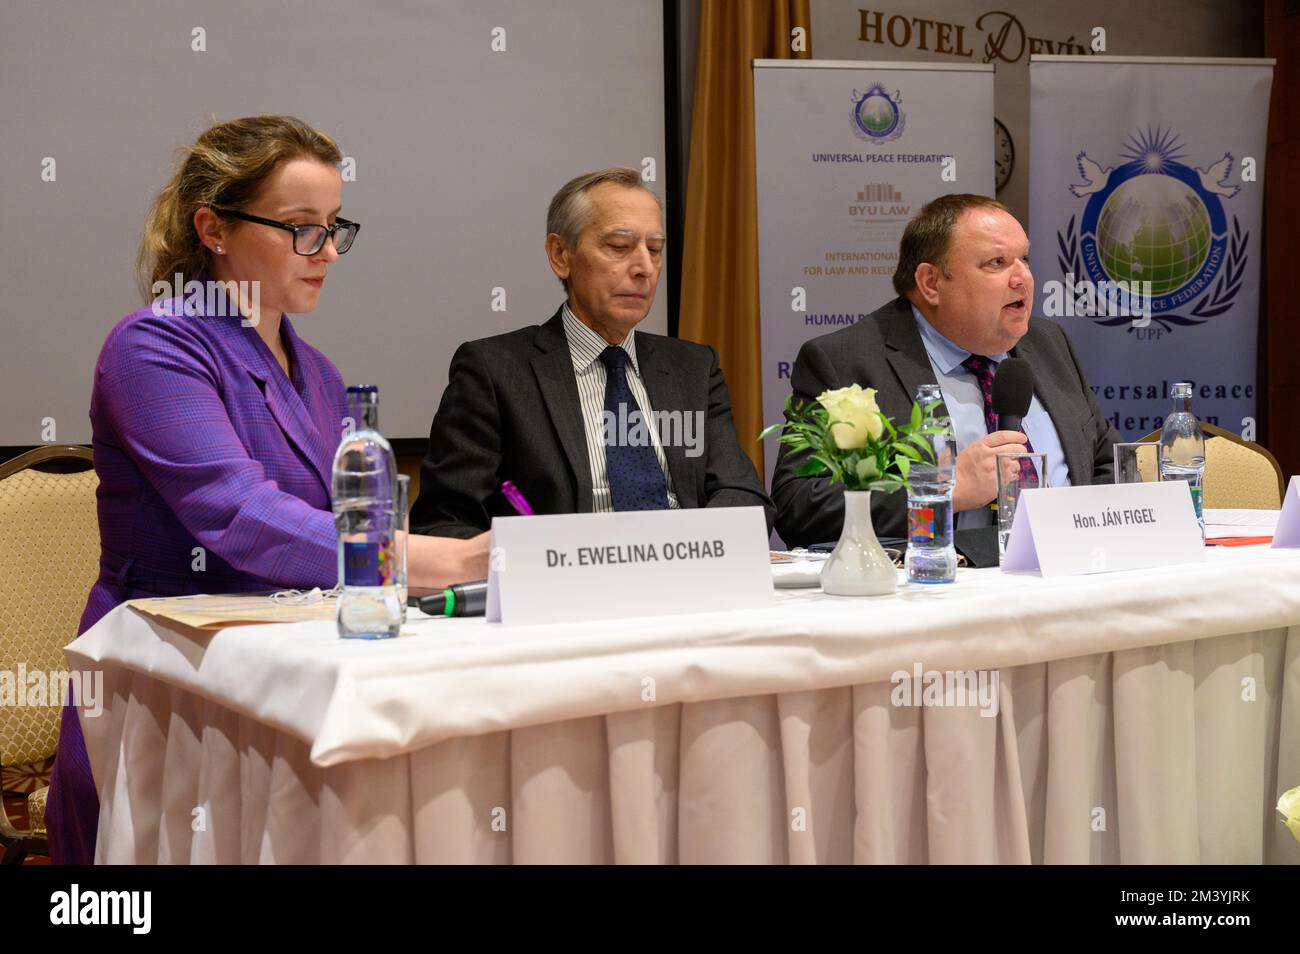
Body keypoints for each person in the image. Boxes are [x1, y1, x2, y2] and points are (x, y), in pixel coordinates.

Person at [46, 115, 489, 864]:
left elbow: (323, 525)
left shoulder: (315, 370)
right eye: (298, 228)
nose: (324, 253)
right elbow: (240, 516)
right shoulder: (153, 345)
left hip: (282, 670)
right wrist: (448, 560)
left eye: (332, 228)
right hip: (166, 681)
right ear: (213, 228)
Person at [410, 167, 773, 536]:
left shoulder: (693, 368)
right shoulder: (495, 371)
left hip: (686, 577)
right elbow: (445, 524)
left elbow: (743, 495)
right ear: (560, 255)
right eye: (619, 247)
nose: (645, 268)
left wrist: (683, 550)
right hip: (564, 585)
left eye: (655, 249)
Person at [772, 193, 1122, 546]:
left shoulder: (1049, 344)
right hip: (939, 587)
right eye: (997, 263)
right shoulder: (847, 361)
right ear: (931, 283)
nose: (1023, 279)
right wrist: (944, 490)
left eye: (1025, 259)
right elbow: (801, 507)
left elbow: (1106, 464)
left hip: (1070, 576)